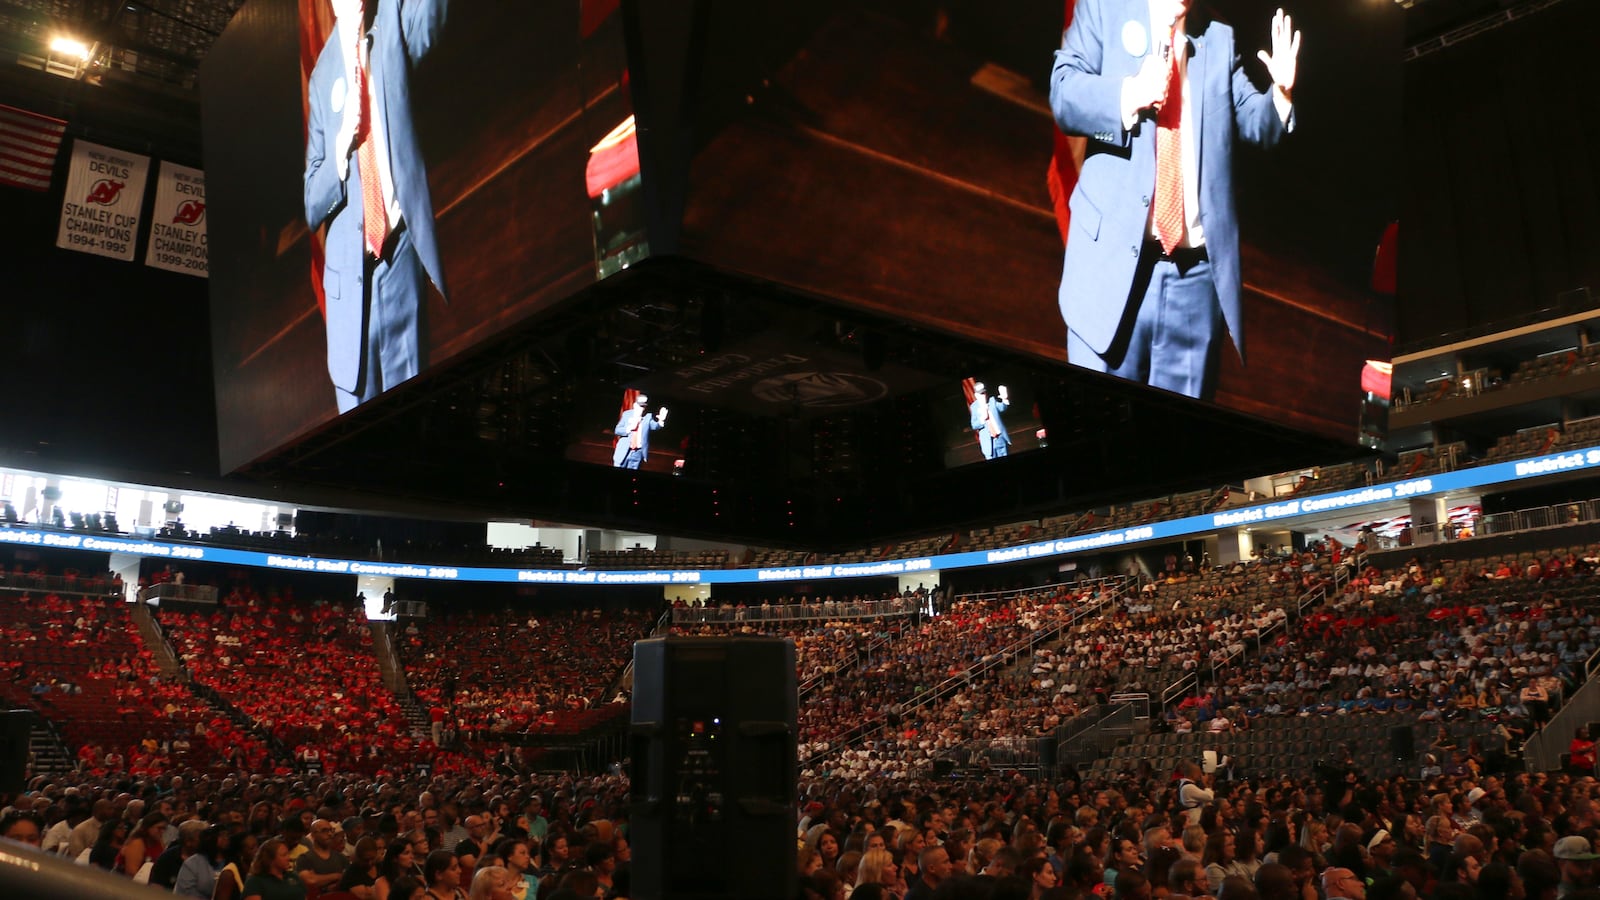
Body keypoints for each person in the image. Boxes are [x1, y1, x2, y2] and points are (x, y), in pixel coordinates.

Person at [1050, 0, 1300, 401]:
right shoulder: (1104, 8)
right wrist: (1129, 93)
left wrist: (1281, 95)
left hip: (1194, 288)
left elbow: (1256, 123)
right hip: (1113, 273)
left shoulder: (1218, 37)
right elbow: (1064, 93)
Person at [304, 0, 449, 412]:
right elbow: (312, 200)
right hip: (348, 278)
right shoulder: (322, 75)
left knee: (412, 413)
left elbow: (430, 23)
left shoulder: (392, 17)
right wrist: (337, 150)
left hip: (400, 254)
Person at [612, 392, 668, 469]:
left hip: (637, 454)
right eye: (640, 406)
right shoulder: (627, 414)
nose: (642, 408)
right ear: (635, 405)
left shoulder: (648, 417)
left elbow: (655, 426)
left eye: (644, 406)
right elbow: (617, 430)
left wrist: (661, 420)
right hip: (623, 452)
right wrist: (629, 428)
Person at [242, 837, 307, 900]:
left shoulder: (293, 876)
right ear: (270, 859)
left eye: (288, 854)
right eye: (284, 855)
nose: (288, 858)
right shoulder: (255, 882)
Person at [968, 382, 1011, 460]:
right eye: (981, 394)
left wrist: (1005, 399)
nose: (983, 395)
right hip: (988, 443)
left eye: (984, 393)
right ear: (976, 395)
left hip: (1000, 438)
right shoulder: (974, 407)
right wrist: (982, 419)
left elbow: (1002, 408)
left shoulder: (992, 400)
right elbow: (974, 425)